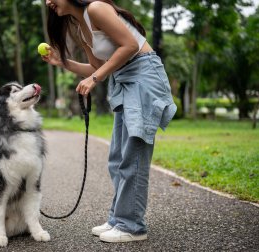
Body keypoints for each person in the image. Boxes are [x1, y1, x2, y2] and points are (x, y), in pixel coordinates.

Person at [42, 0, 177, 243]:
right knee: (117, 158)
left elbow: (129, 45)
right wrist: (63, 62)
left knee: (132, 156)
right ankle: (119, 219)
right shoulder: (80, 26)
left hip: (143, 76)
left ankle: (132, 226)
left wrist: (95, 79)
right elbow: (98, 66)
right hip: (124, 79)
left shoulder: (95, 8)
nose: (47, 2)